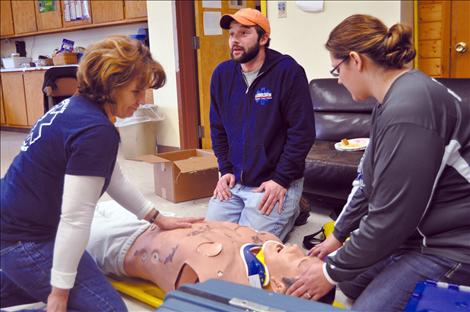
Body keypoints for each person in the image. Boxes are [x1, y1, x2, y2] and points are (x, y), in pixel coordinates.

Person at [0, 36, 201, 311]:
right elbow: (75, 219)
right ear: (111, 86)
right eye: (136, 92)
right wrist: (60, 293)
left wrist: (156, 217)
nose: (142, 101)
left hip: (16, 225)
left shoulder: (75, 108)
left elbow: (112, 178)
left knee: (35, 281)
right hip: (25, 238)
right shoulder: (95, 130)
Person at [285, 14, 470, 311]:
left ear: (356, 60)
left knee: (362, 302)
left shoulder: (411, 107)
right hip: (420, 232)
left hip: (454, 246)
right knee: (351, 281)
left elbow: (391, 217)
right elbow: (368, 184)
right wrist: (338, 237)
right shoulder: (390, 101)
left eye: (337, 70)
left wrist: (329, 271)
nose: (339, 80)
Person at [206, 8, 315, 241]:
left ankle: (293, 208)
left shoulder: (288, 72)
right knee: (210, 239)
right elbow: (217, 127)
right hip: (235, 181)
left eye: (244, 33)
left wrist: (281, 180)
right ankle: (289, 209)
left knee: (249, 247)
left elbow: (302, 133)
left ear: (263, 38)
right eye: (232, 33)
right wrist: (224, 169)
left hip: (272, 181)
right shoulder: (222, 75)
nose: (235, 40)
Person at [86, 203, 334, 304]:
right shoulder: (269, 242)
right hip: (155, 217)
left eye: (299, 261)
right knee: (96, 199)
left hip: (123, 243)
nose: (294, 247)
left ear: (279, 285)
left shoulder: (224, 285)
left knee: (62, 217)